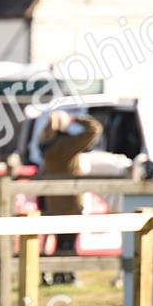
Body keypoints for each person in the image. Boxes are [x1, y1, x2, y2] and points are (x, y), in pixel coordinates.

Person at [38, 110, 103, 285]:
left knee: (59, 240)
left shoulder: (45, 144)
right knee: (70, 241)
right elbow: (94, 129)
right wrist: (75, 119)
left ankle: (57, 274)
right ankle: (69, 274)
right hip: (71, 199)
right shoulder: (68, 144)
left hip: (53, 200)